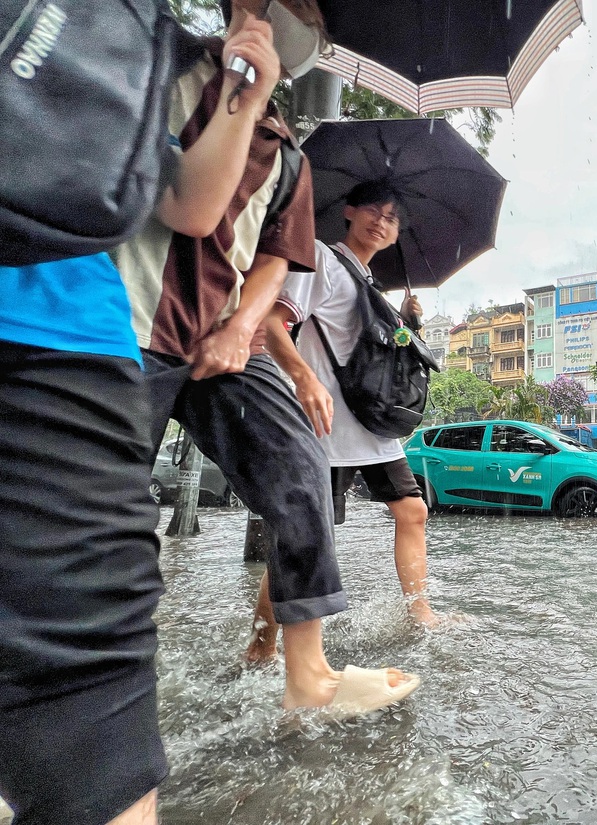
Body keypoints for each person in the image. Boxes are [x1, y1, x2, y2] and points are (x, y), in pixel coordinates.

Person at [0, 11, 288, 823]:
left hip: (62, 346)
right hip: (106, 346)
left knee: (95, 724)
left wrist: (246, 87)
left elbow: (192, 205)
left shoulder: (126, 34)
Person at [114, 0, 417, 714]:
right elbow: (178, 204)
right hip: (119, 319)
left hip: (221, 334)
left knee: (301, 469)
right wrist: (237, 95)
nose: (298, 20)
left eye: (312, 15)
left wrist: (240, 326)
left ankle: (305, 670)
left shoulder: (290, 159)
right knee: (85, 517)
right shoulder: (158, 65)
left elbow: (276, 262)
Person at [244, 181, 443, 664]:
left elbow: (375, 350)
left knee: (412, 512)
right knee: (307, 535)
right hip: (325, 423)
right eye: (374, 210)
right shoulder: (318, 259)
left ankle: (421, 611)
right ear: (349, 212)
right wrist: (303, 379)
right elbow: (271, 324)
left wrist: (408, 322)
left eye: (393, 218)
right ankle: (263, 641)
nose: (382, 222)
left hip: (372, 427)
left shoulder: (373, 286)